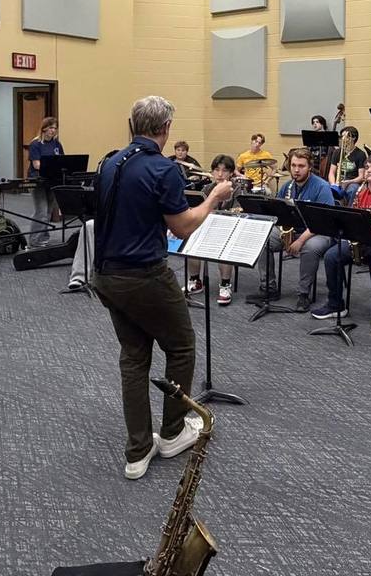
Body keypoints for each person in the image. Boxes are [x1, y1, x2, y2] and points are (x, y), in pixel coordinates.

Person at [91, 95, 232, 481]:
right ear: (165, 129)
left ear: (131, 124)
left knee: (134, 357)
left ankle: (137, 452)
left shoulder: (108, 162)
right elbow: (182, 227)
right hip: (143, 275)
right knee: (182, 345)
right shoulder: (162, 168)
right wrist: (213, 198)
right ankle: (171, 432)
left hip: (105, 274)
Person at [312, 154, 371, 336]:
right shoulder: (361, 194)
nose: (369, 170)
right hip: (365, 242)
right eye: (367, 166)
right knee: (332, 256)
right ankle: (336, 305)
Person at [255, 147, 336, 311]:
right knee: (262, 239)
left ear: (310, 167)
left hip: (319, 231)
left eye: (301, 166)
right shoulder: (288, 186)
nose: (296, 170)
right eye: (293, 165)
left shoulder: (321, 186)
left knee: (310, 248)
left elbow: (322, 220)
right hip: (293, 229)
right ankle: (269, 288)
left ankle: (303, 294)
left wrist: (299, 240)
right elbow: (278, 212)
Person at [185, 155, 239, 304]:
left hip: (228, 229)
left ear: (231, 173)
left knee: (226, 243)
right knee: (191, 237)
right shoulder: (207, 188)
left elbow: (239, 212)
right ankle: (196, 281)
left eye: (224, 171)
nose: (220, 175)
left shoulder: (237, 189)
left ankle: (225, 284)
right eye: (216, 170)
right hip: (207, 227)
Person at [27, 117, 64, 247]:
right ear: (44, 129)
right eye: (50, 128)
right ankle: (34, 240)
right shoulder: (35, 144)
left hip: (52, 181)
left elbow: (61, 161)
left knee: (48, 212)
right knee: (41, 212)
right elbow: (37, 165)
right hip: (38, 182)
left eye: (55, 128)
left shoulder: (56, 144)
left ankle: (43, 237)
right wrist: (53, 166)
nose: (53, 131)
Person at [327, 125, 367, 202]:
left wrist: (348, 182)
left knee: (353, 189)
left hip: (352, 181)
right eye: (342, 137)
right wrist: (333, 184)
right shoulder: (337, 152)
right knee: (325, 187)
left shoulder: (361, 154)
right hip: (338, 181)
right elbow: (331, 172)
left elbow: (361, 177)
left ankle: (350, 210)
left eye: (345, 137)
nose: (343, 139)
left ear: (353, 138)